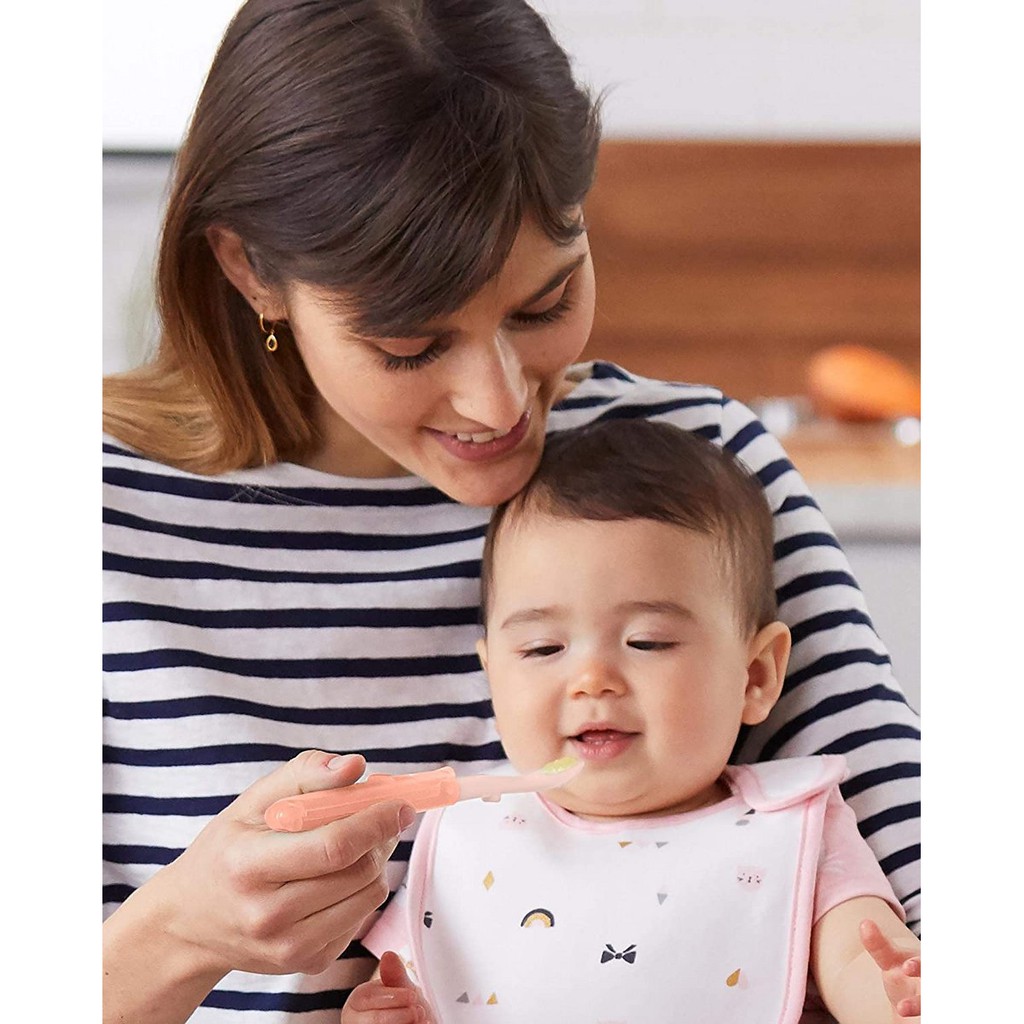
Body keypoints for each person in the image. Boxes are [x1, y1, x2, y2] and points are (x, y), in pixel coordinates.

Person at [102, 1, 920, 1021]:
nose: (498, 407)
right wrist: (177, 933)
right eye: (410, 346)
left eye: (544, 303)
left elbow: (917, 883)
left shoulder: (697, 468)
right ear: (251, 270)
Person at [347, 420, 921, 1024]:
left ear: (754, 676)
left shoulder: (795, 827)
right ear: (493, 676)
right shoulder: (468, 838)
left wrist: (899, 995)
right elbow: (409, 980)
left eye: (647, 642)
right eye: (543, 649)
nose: (592, 679)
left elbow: (861, 961)